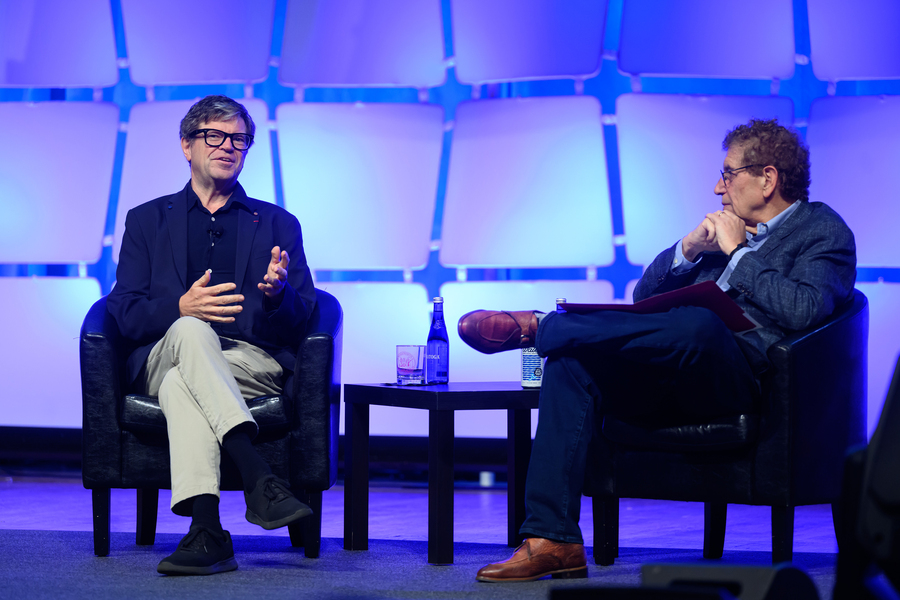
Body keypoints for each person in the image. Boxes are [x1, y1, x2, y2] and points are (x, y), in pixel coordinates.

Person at [458, 118, 857, 582]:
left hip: (744, 383)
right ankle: (553, 539)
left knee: (702, 322)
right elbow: (643, 304)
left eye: (727, 174)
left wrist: (738, 256)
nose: (717, 187)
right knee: (571, 364)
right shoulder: (723, 231)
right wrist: (688, 250)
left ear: (767, 178)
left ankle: (544, 326)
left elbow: (805, 308)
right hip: (671, 372)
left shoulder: (822, 231)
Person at [107, 95, 318, 575]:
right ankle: (258, 476)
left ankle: (207, 530)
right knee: (188, 328)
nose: (229, 146)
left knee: (186, 385)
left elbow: (305, 318)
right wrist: (179, 307)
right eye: (215, 136)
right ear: (187, 145)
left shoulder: (279, 223)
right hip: (164, 353)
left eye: (239, 139)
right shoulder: (146, 220)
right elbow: (122, 311)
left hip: (248, 363)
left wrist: (277, 295)